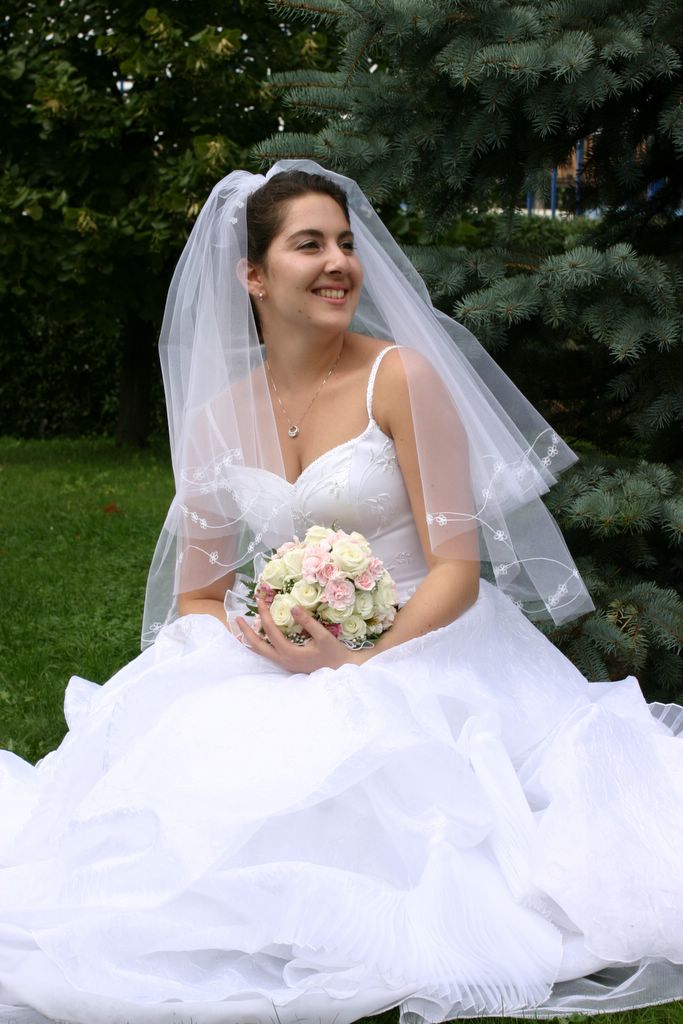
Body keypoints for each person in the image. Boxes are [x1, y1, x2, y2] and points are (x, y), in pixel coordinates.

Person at [0, 162, 682, 1024]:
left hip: (425, 639)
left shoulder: (398, 378)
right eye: (308, 245)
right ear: (253, 276)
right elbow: (200, 593)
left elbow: (455, 567)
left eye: (346, 244)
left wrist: (358, 659)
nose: (338, 263)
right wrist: (262, 639)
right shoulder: (217, 417)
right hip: (286, 653)